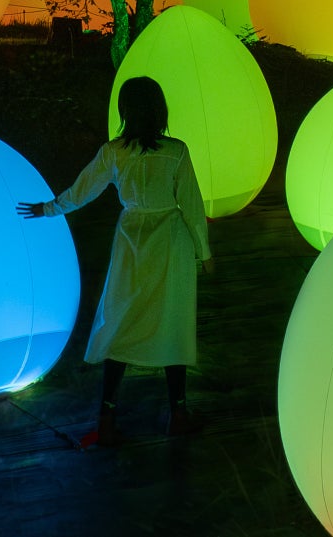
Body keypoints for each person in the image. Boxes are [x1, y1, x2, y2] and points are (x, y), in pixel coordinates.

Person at [17, 76, 212, 447]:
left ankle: (107, 418)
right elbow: (191, 205)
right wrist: (205, 253)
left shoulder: (115, 152)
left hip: (132, 239)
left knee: (121, 318)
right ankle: (178, 413)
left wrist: (50, 209)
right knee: (173, 321)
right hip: (171, 243)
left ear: (125, 111)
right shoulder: (176, 151)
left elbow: (83, 189)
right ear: (160, 110)